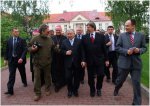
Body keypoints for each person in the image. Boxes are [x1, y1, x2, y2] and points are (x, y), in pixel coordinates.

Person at [113, 19, 147, 105]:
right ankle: (117, 88)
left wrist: (139, 50)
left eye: (127, 26)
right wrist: (126, 51)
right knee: (120, 80)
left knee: (136, 83)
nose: (126, 27)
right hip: (124, 63)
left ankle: (136, 103)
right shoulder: (122, 35)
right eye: (125, 26)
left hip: (136, 64)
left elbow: (144, 48)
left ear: (133, 26)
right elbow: (117, 47)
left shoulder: (141, 35)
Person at [28, 24, 59, 101]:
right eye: (47, 31)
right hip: (37, 62)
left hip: (47, 62)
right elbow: (28, 47)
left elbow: (54, 48)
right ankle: (37, 93)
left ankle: (47, 89)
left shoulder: (50, 39)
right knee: (37, 78)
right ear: (42, 31)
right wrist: (32, 49)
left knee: (47, 77)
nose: (48, 32)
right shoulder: (35, 38)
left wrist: (60, 49)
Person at [82, 22, 109, 97]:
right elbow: (83, 50)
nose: (87, 28)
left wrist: (107, 59)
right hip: (89, 61)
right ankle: (92, 90)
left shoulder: (101, 36)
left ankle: (99, 88)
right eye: (87, 27)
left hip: (100, 60)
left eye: (88, 27)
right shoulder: (84, 37)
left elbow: (104, 49)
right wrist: (83, 60)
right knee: (90, 77)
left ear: (93, 27)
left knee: (101, 75)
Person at [61, 29, 85, 98]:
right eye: (68, 34)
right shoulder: (64, 41)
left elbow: (82, 51)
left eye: (70, 34)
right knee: (68, 77)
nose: (69, 35)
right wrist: (65, 52)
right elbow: (61, 50)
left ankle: (75, 90)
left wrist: (83, 60)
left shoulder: (79, 41)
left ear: (74, 34)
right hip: (67, 63)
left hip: (77, 63)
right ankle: (69, 90)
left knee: (77, 78)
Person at [4, 28, 27, 96]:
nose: (17, 33)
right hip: (12, 60)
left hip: (20, 60)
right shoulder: (9, 40)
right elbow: (7, 50)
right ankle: (10, 90)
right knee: (11, 75)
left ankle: (24, 82)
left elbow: (25, 50)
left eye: (18, 31)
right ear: (12, 32)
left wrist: (22, 58)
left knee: (22, 72)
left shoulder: (22, 40)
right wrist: (5, 59)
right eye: (15, 32)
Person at [51, 25, 67, 92]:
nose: (58, 31)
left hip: (62, 57)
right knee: (54, 70)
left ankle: (61, 82)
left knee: (62, 70)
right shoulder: (51, 38)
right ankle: (56, 82)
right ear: (55, 31)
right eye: (57, 30)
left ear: (61, 30)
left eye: (59, 30)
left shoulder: (65, 37)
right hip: (54, 57)